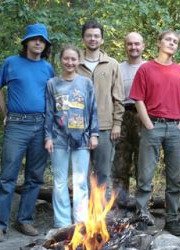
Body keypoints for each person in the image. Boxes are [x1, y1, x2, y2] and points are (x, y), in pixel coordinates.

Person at [0, 23, 54, 242]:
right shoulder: (11, 63)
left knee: (35, 177)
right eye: (35, 39)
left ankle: (24, 220)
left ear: (45, 45)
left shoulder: (47, 68)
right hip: (16, 125)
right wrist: (6, 111)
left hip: (41, 124)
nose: (38, 42)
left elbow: (53, 98)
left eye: (42, 40)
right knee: (8, 176)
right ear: (26, 41)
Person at [130, 30, 180, 236]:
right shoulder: (146, 69)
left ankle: (172, 219)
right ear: (158, 42)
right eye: (168, 39)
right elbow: (138, 99)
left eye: (176, 41)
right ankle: (141, 215)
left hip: (174, 128)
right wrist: (147, 123)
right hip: (153, 126)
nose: (172, 43)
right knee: (145, 175)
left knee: (174, 177)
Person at [45, 45, 99, 228]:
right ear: (61, 60)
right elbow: (49, 112)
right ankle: (62, 223)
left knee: (80, 182)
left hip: (82, 140)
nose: (69, 62)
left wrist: (94, 134)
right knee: (59, 182)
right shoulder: (53, 83)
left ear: (79, 60)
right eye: (66, 59)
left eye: (73, 59)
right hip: (58, 139)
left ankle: (81, 221)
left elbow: (92, 110)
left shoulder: (86, 83)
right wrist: (47, 137)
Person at [77, 20, 125, 191]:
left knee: (102, 172)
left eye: (96, 36)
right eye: (89, 36)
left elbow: (118, 97)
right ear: (83, 39)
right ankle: (82, 212)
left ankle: (99, 214)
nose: (93, 39)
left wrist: (117, 124)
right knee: (81, 173)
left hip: (105, 126)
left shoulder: (112, 64)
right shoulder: (75, 63)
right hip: (78, 126)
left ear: (102, 39)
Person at [112, 32, 145, 207]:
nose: (133, 47)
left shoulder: (149, 67)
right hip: (122, 116)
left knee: (143, 165)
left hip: (143, 117)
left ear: (143, 46)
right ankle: (119, 206)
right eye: (130, 44)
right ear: (125, 46)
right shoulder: (117, 67)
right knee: (119, 165)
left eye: (137, 44)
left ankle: (142, 208)